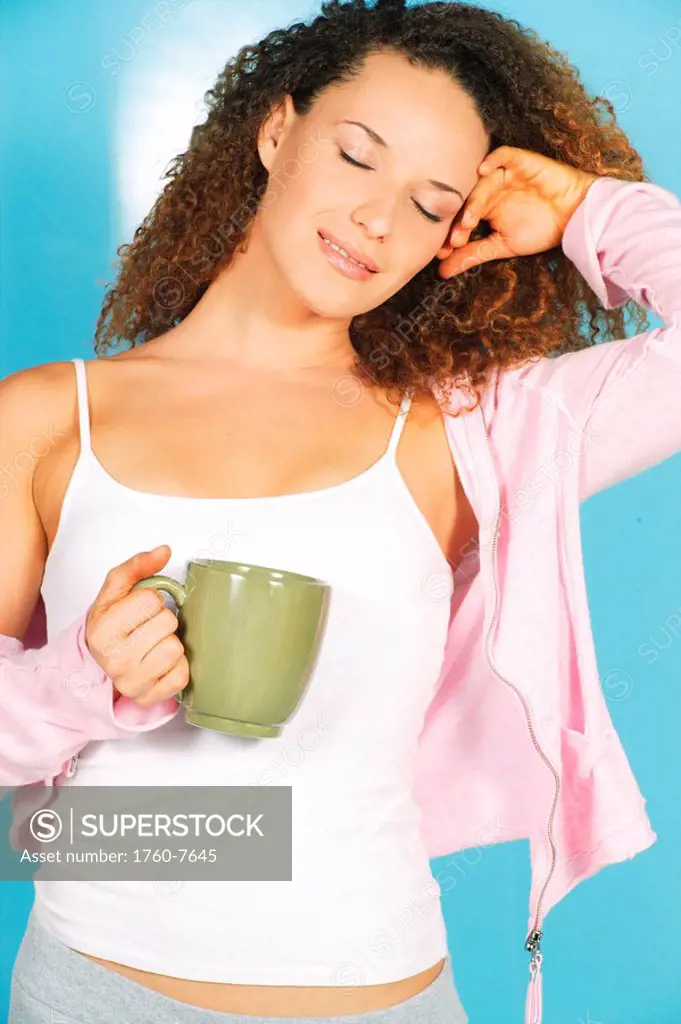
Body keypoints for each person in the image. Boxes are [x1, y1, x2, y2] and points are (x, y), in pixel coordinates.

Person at [1, 0, 679, 1021]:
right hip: (98, 991)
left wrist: (585, 208)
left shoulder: (470, 431)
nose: (375, 219)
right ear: (277, 132)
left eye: (429, 203)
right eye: (358, 155)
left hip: (384, 999)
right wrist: (76, 685)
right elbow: (23, 817)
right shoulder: (50, 418)